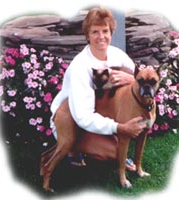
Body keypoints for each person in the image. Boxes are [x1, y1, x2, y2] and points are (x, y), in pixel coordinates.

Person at [50, 7, 146, 169]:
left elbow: (139, 77)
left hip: (100, 111)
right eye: (95, 32)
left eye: (105, 31)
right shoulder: (80, 66)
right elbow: (83, 117)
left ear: (111, 32)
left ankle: (102, 141)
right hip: (71, 120)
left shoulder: (117, 54)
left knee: (124, 72)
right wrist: (121, 128)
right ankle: (73, 149)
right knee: (117, 153)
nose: (101, 37)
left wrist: (130, 79)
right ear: (87, 35)